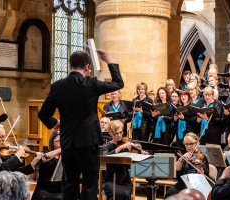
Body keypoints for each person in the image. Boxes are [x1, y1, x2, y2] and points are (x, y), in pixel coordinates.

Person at [38, 49, 124, 200]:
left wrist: (56, 123)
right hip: (87, 142)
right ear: (87, 67)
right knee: (89, 185)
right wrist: (108, 59)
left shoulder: (58, 86)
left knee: (69, 183)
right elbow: (118, 83)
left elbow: (43, 114)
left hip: (67, 143)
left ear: (70, 66)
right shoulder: (91, 83)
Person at [0, 124, 43, 198]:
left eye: (4, 136)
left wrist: (33, 163)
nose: (4, 139)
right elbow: (0, 170)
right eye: (1, 137)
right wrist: (17, 155)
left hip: (5, 190)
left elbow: (14, 173)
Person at [103, 120, 147, 200]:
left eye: (121, 132)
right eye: (116, 133)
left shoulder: (126, 145)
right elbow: (105, 158)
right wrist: (119, 148)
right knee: (116, 194)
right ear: (110, 133)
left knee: (125, 194)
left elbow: (137, 150)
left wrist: (141, 151)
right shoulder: (107, 146)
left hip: (125, 181)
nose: (119, 135)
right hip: (111, 181)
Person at [164, 133, 209, 198]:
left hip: (196, 185)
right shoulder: (184, 156)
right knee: (170, 193)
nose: (189, 146)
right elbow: (176, 169)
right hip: (183, 184)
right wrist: (181, 159)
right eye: (186, 144)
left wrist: (198, 165)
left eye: (191, 144)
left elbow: (201, 175)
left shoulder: (202, 157)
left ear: (196, 143)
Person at [32, 131, 62, 200]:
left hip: (61, 188)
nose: (61, 143)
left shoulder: (67, 156)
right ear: (52, 142)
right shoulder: (45, 153)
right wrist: (61, 149)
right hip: (47, 190)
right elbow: (44, 159)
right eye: (58, 141)